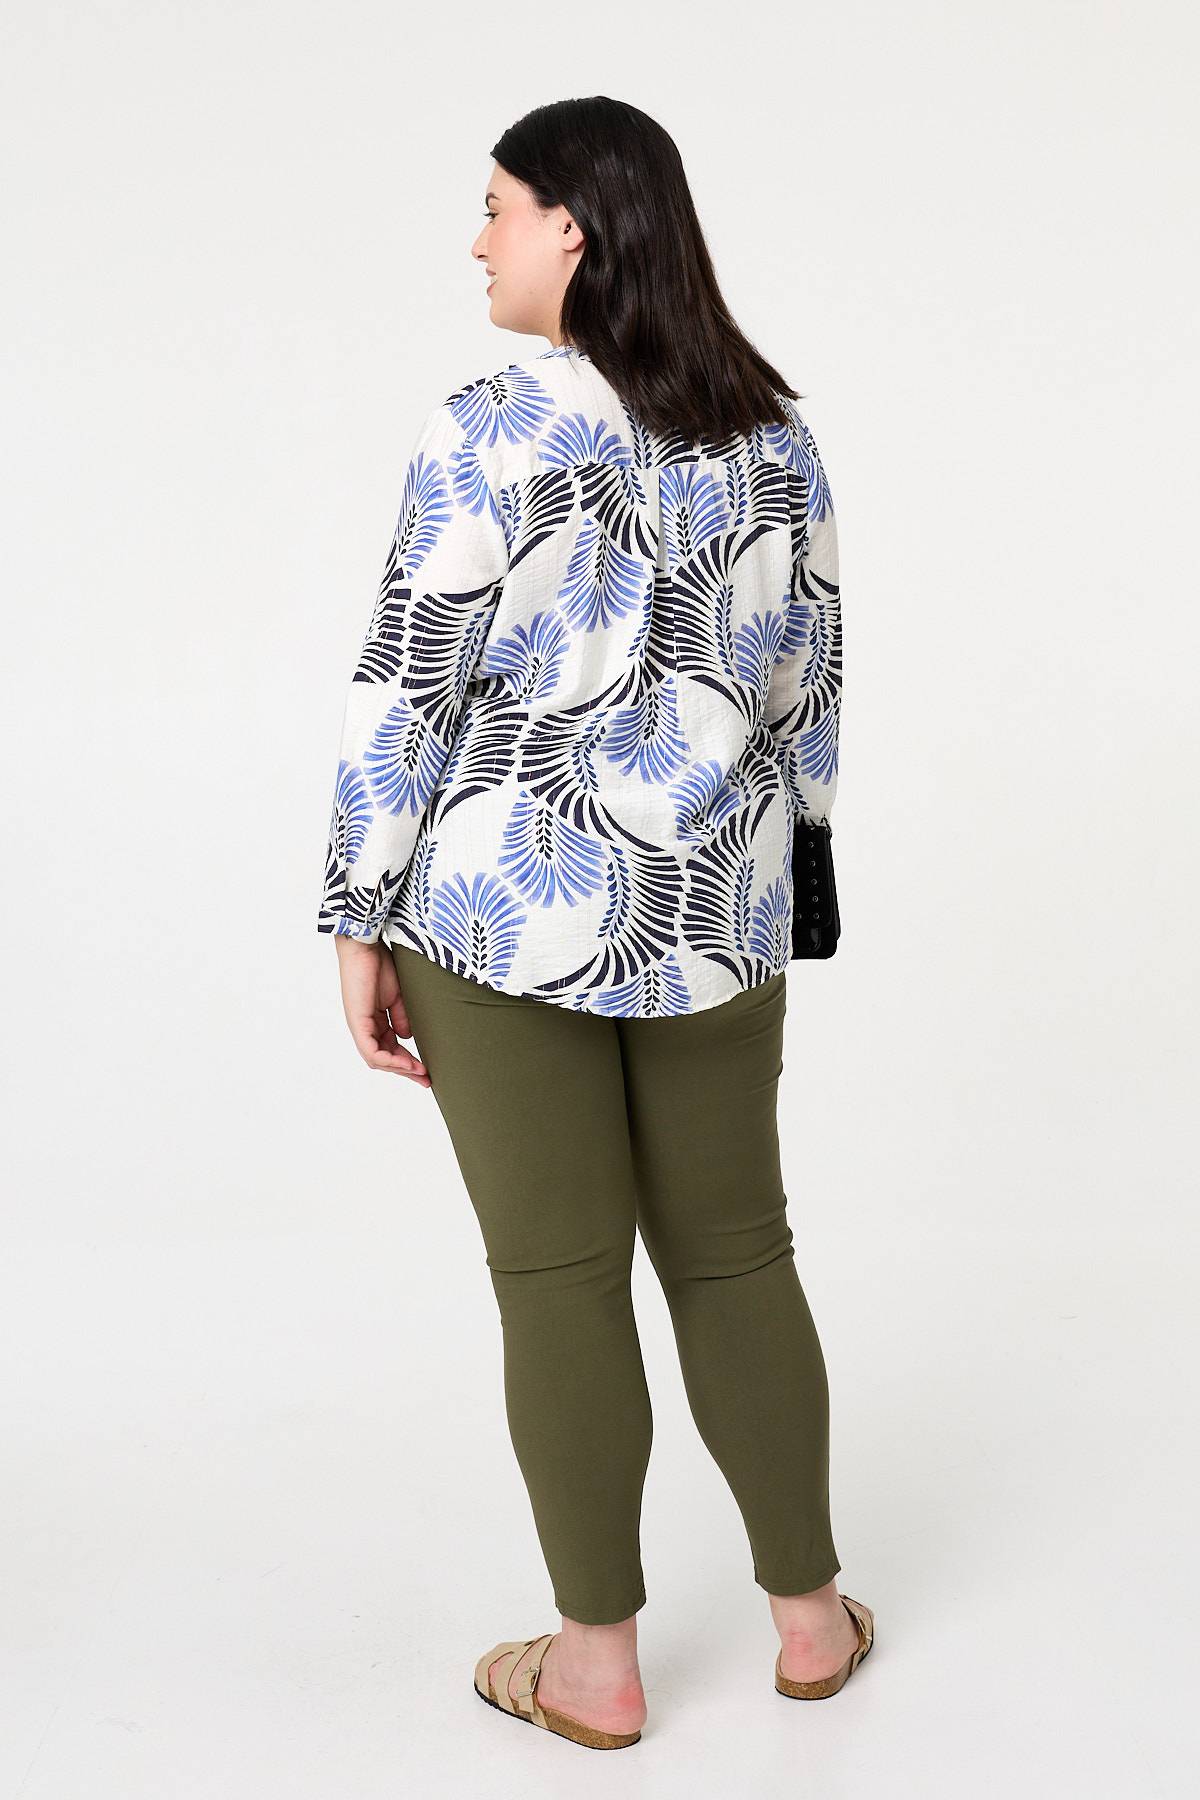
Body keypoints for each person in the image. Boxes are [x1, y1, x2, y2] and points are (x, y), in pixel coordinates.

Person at [317, 97, 872, 1750]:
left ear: (573, 222)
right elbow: (809, 683)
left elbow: (409, 682)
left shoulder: (489, 426)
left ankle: (596, 1668)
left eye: (497, 206)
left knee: (558, 1278)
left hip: (500, 918)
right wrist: (793, 874)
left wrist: (357, 912)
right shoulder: (773, 435)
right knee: (739, 1253)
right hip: (715, 909)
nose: (478, 239)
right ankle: (810, 1626)